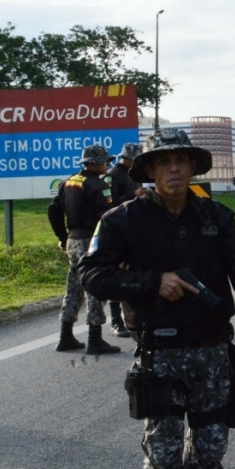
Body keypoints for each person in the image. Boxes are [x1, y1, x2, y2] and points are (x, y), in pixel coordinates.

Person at [79, 128, 235, 469]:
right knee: (163, 456)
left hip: (212, 351)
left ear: (193, 167)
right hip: (159, 355)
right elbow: (91, 274)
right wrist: (151, 283)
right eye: (164, 162)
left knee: (210, 450)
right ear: (149, 170)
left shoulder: (216, 215)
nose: (174, 169)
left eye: (181, 161)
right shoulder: (121, 219)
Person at [47, 144, 119, 354]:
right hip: (91, 241)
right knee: (95, 287)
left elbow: (53, 210)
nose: (108, 164)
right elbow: (107, 216)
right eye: (106, 161)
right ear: (95, 163)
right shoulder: (99, 185)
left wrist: (62, 237)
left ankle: (65, 335)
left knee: (74, 288)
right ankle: (95, 339)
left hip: (73, 240)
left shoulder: (68, 182)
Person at [105, 142, 147, 338]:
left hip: (135, 229)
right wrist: (132, 195)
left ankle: (135, 318)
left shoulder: (135, 175)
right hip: (118, 230)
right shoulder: (112, 175)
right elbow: (108, 203)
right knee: (118, 275)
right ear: (128, 158)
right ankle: (116, 321)